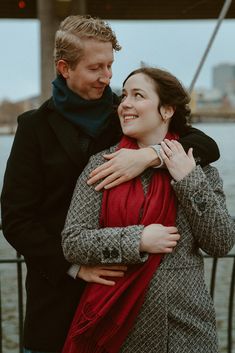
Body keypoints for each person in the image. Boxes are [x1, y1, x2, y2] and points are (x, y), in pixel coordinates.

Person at [0, 15, 220, 353]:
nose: (107, 77)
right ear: (65, 68)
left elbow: (205, 146)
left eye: (110, 65)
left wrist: (149, 157)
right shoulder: (34, 128)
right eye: (95, 68)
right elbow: (16, 219)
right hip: (58, 295)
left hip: (125, 298)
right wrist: (73, 266)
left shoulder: (125, 115)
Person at [61, 67, 235, 353]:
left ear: (166, 110)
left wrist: (189, 180)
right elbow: (74, 242)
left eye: (138, 95)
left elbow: (220, 241)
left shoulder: (197, 167)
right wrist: (137, 240)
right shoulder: (102, 164)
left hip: (185, 332)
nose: (125, 103)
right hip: (116, 327)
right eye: (124, 95)